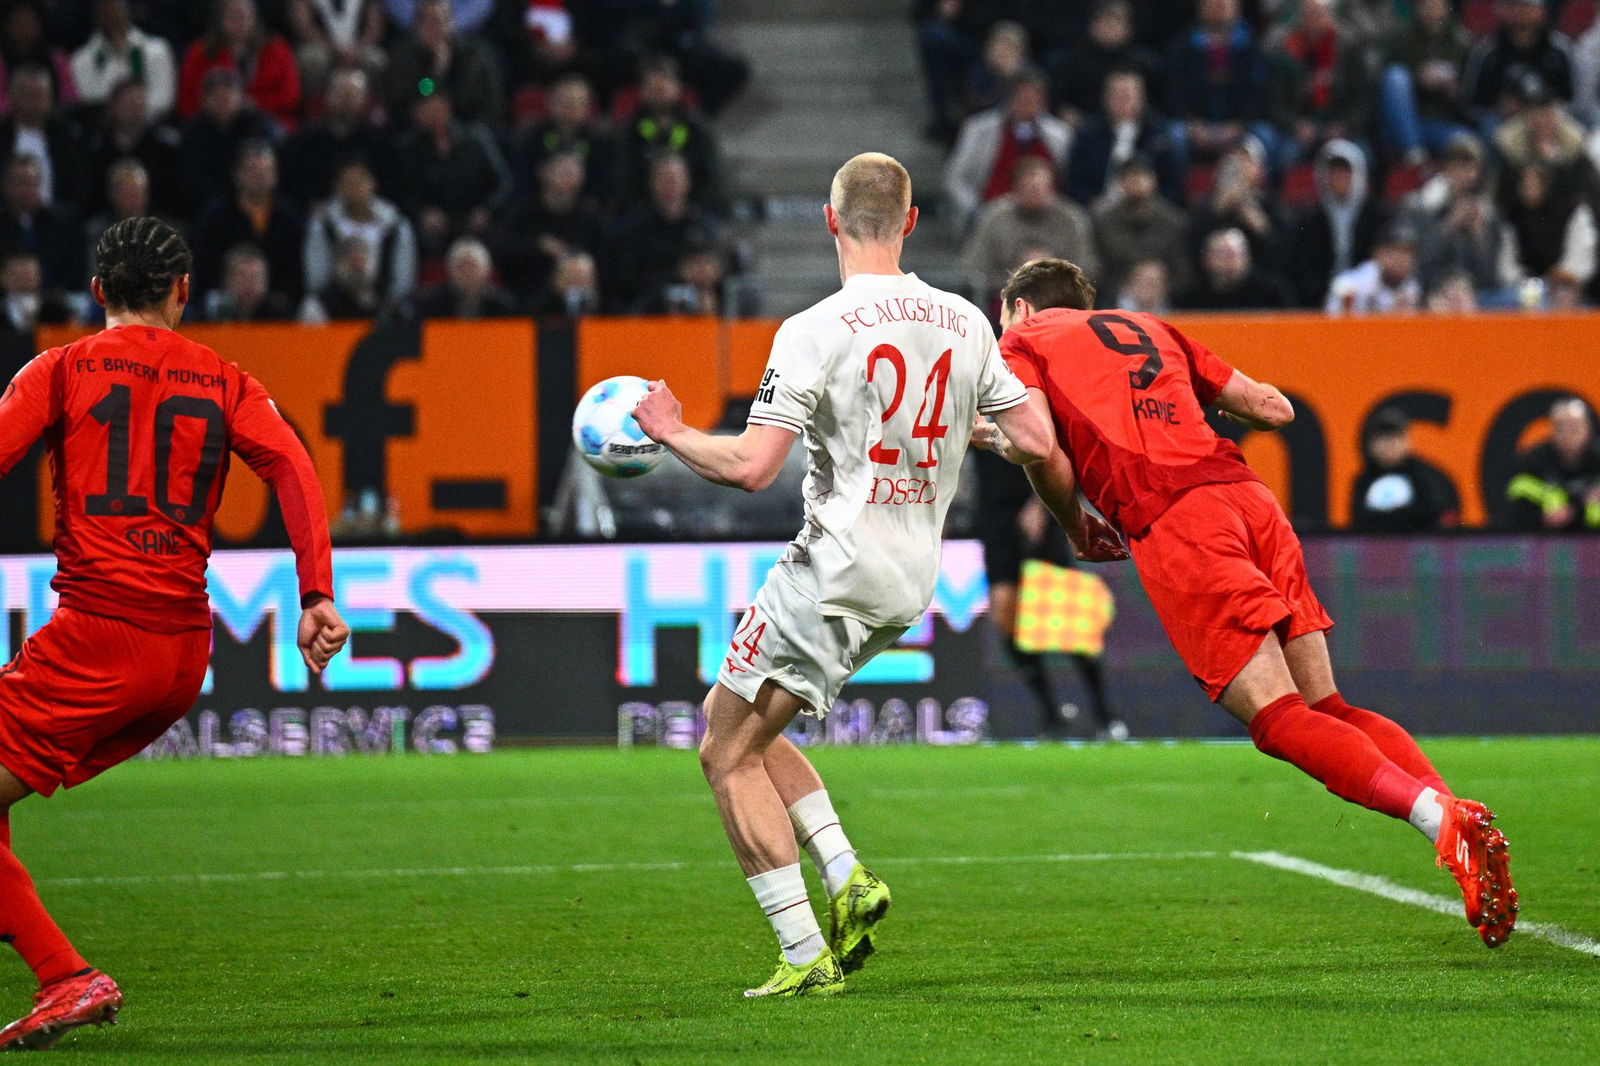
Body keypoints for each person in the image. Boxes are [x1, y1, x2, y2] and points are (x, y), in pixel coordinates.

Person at [973, 256, 1516, 951]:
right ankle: (1459, 815)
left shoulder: (1023, 342)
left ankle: (1438, 819)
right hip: (1251, 501)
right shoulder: (1150, 327)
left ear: (1016, 307)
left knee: (1278, 719)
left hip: (1178, 519)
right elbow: (1272, 407)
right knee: (1328, 708)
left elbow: (1043, 448)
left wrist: (1075, 520)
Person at [630, 153, 1053, 997]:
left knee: (723, 755)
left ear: (830, 222)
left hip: (830, 570)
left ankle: (801, 954)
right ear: (911, 221)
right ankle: (846, 874)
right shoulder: (966, 321)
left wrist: (671, 432)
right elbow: (1037, 440)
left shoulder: (816, 329)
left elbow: (752, 466)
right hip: (909, 582)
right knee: (737, 715)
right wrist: (969, 427)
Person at [0, 216, 347, 1050]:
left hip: (96, 638)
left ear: (95, 294)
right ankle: (59, 975)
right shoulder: (226, 380)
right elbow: (293, 466)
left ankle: (67, 976)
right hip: (181, 656)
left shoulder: (60, 369)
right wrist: (315, 594)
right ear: (183, 292)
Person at [972, 448, 1127, 740]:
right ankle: (1051, 713)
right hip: (995, 521)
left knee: (1066, 620)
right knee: (1006, 615)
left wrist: (1041, 505)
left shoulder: (1026, 404)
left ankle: (1106, 715)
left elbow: (1057, 451)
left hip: (1042, 515)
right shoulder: (969, 408)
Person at [960, 156, 1098, 309]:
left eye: (1041, 189)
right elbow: (975, 268)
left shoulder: (1071, 218)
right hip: (1005, 299)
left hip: (1060, 300)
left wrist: (1052, 271)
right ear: (1015, 189)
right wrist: (1017, 277)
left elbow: (1088, 267)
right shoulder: (994, 218)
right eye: (1029, 189)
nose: (1036, 195)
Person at [1349, 408, 1460, 532]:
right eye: (1382, 439)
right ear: (1371, 444)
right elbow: (1358, 524)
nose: (1388, 445)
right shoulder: (1364, 480)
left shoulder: (1427, 476)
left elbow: (1440, 516)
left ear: (1407, 441)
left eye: (1394, 438)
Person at [69, 0, 177, 119]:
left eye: (116, 10)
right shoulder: (81, 60)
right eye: (106, 12)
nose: (112, 17)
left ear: (128, 13)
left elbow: (163, 99)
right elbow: (90, 100)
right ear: (96, 18)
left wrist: (134, 113)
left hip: (149, 127)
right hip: (101, 130)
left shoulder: (157, 51)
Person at [1507, 397, 1600, 530]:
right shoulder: (1532, 463)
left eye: (1574, 428)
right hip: (1548, 541)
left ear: (1587, 429)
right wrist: (1542, 518)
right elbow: (1518, 511)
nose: (1567, 435)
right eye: (1560, 427)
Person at [1325, 223, 1423, 314]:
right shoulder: (1351, 284)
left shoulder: (1413, 285)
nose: (1401, 260)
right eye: (1394, 252)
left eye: (1407, 253)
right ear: (1377, 254)